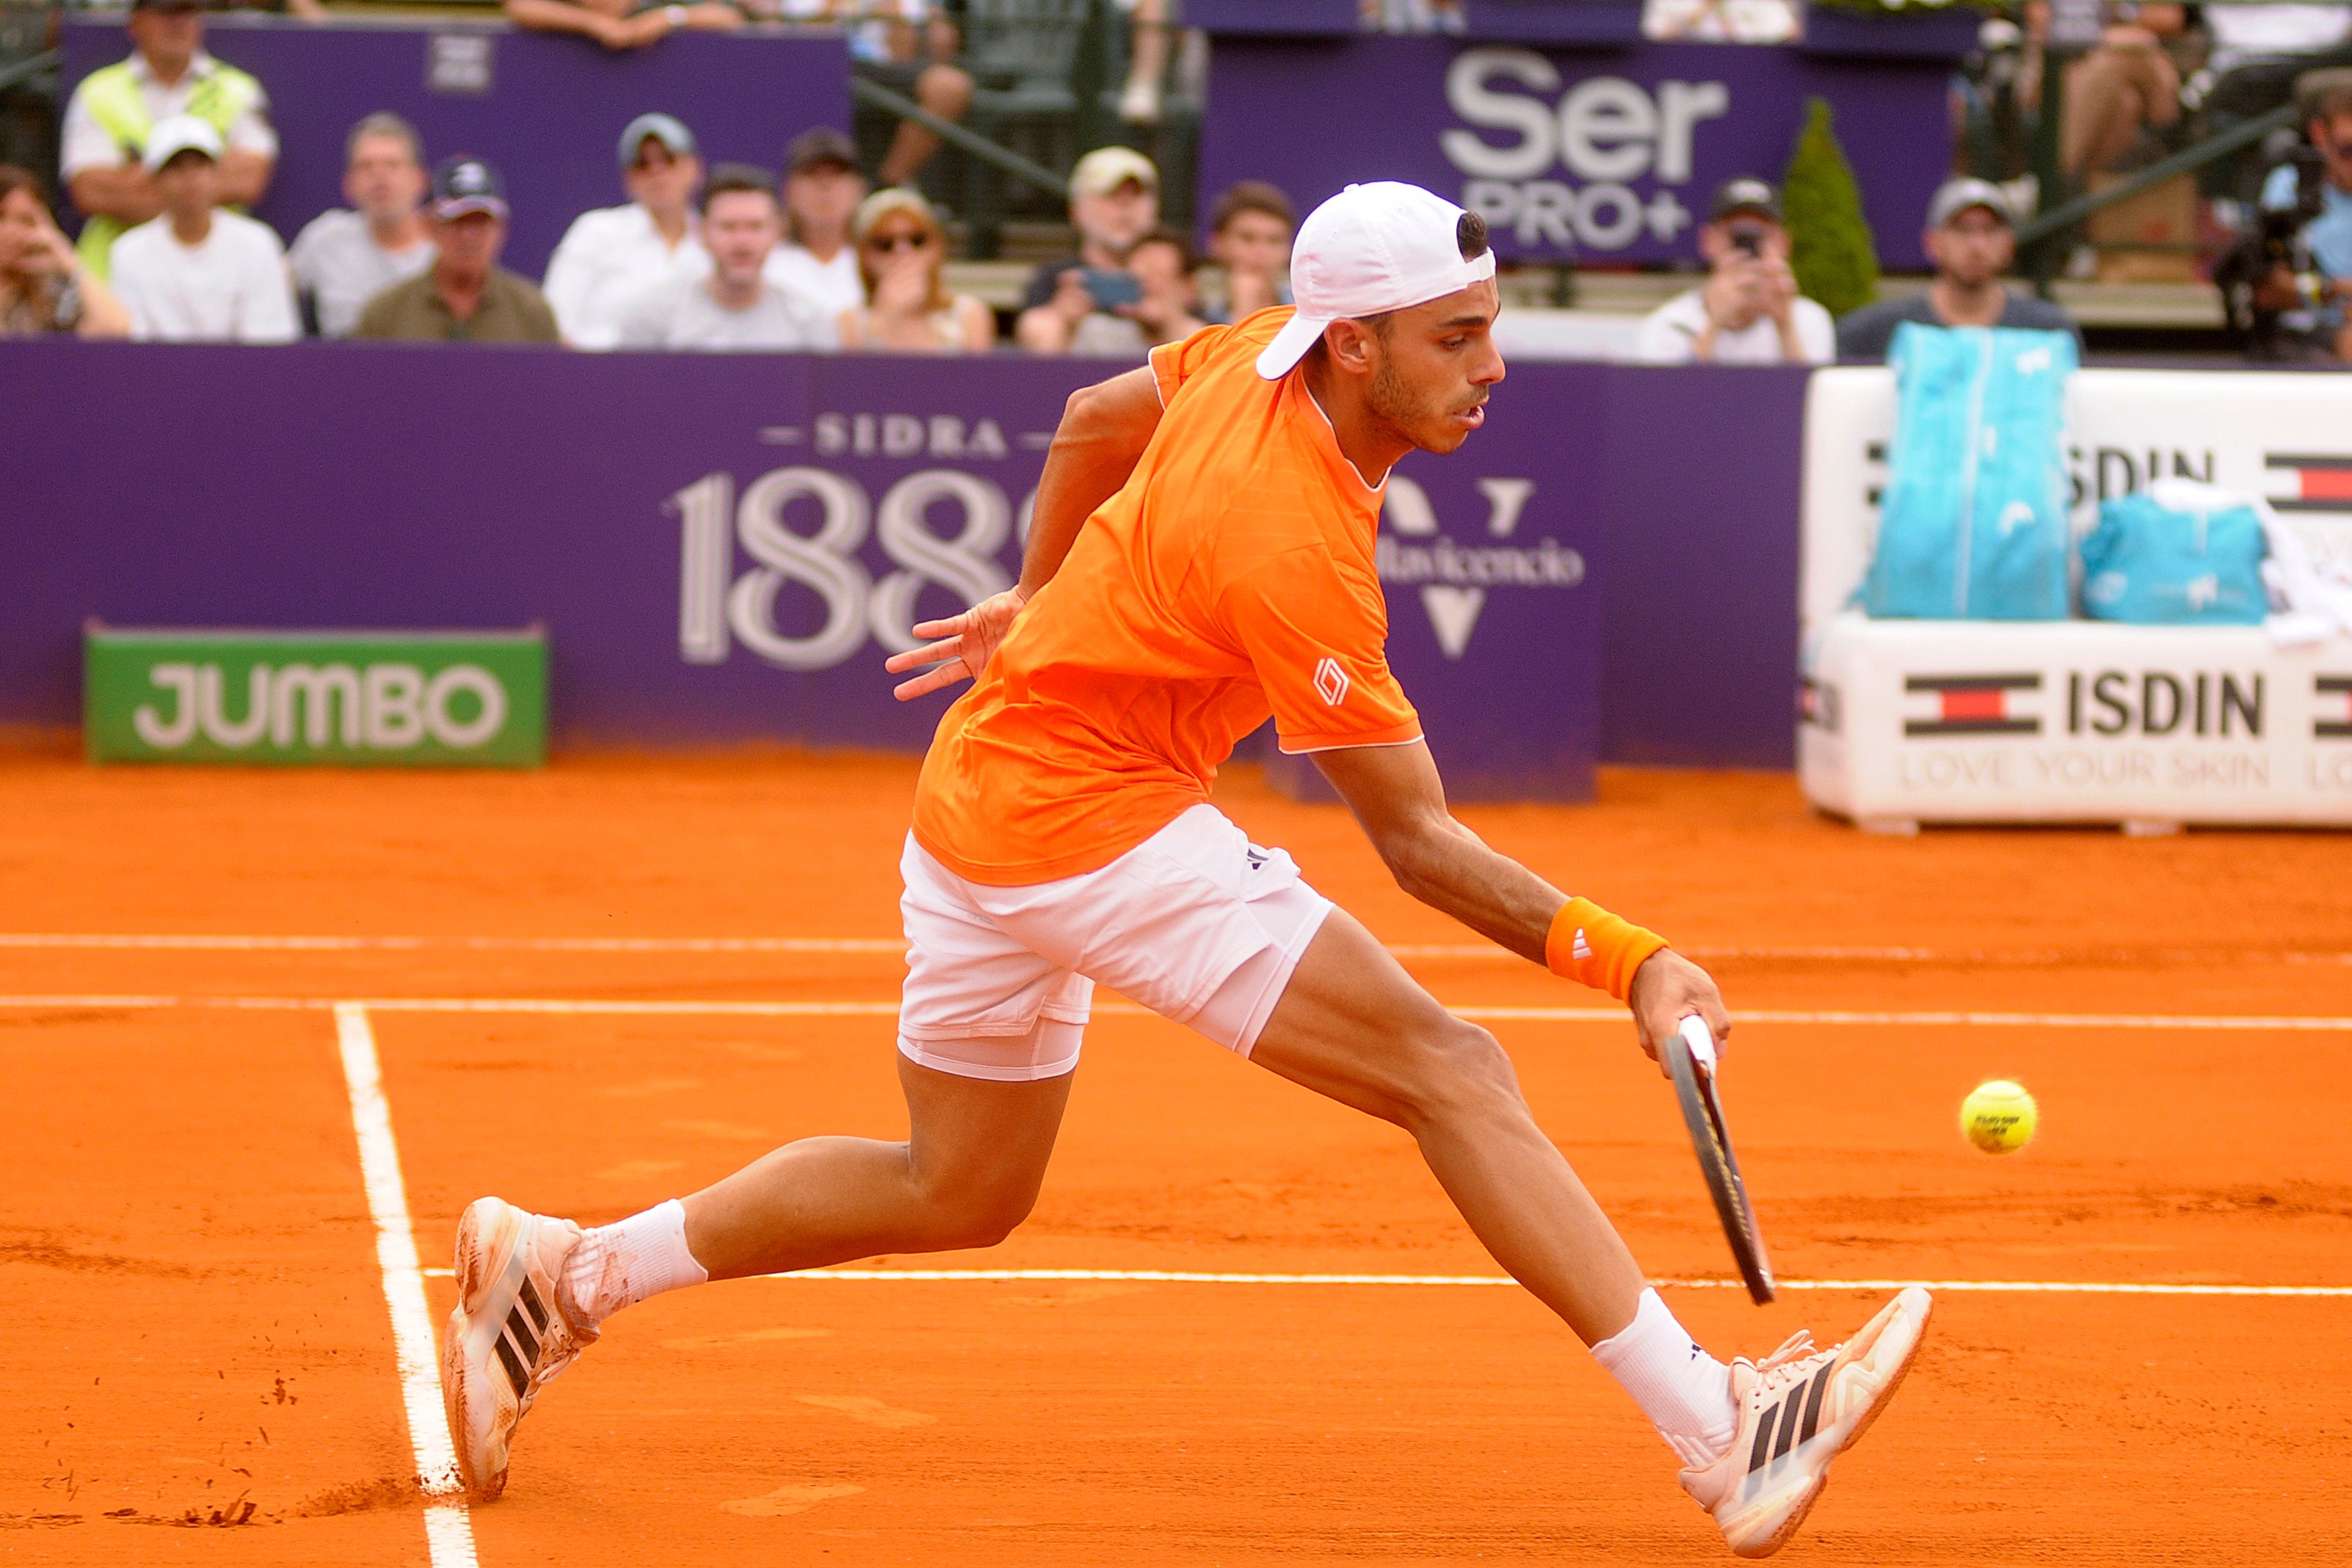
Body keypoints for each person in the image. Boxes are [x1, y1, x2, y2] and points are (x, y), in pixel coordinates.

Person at [439, 180, 1934, 1559]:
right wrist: (1628, 956)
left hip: (980, 799)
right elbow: (1416, 844)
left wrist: (1036, 597)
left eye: (1494, 330)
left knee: (954, 1184)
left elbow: (1094, 413)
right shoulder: (1291, 542)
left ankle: (564, 1276)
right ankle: (1722, 1433)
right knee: (1453, 1070)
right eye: (1458, 337)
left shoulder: (1256, 351)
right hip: (1092, 829)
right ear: (1354, 348)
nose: (1493, 367)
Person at [59, 0, 277, 280]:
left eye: (187, 11)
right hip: (114, 281)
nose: (177, 22)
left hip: (217, 277)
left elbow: (248, 181)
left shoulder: (238, 89)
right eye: (164, 12)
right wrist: (208, 180)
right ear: (135, 22)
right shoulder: (97, 92)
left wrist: (135, 177)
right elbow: (91, 192)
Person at [1834, 178, 2083, 362]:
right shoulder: (1873, 333)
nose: (1978, 246)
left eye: (1990, 231)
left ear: (2008, 246)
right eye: (1962, 230)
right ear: (1932, 244)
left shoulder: (2050, 331)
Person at [107, 116, 297, 344]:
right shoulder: (128, 253)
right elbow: (133, 348)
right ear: (155, 180)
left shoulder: (259, 244)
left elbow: (269, 344)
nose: (190, 177)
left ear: (217, 174)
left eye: (201, 165)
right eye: (176, 166)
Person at [614, 164, 836, 351]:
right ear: (702, 232)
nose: (742, 242)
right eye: (728, 227)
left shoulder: (810, 323)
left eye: (756, 226)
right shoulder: (652, 317)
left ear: (777, 232)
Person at [542, 114, 708, 350]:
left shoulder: (717, 241)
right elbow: (553, 325)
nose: (657, 171)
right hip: (600, 378)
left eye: (668, 159)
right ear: (628, 179)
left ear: (695, 168)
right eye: (642, 164)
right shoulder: (595, 232)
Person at [354, 156, 560, 344]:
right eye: (456, 222)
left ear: (500, 229)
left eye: (480, 222)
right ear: (430, 226)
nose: (468, 236)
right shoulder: (385, 314)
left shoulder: (532, 312)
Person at [1631, 178, 1834, 365]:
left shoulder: (1808, 319)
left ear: (1784, 243)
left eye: (1759, 236)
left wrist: (1785, 326)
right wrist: (1714, 323)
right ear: (1708, 241)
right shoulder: (1672, 322)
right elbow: (1664, 398)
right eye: (1737, 237)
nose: (1748, 251)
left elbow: (1816, 399)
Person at [777, 1, 974, 188]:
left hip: (884, 68)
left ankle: (887, 186)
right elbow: (804, 43)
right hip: (820, 64)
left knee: (949, 86)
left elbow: (901, 55)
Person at [287, 112, 435, 339]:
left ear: (420, 180)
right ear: (348, 185)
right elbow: (270, 291)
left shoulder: (446, 247)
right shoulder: (325, 238)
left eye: (392, 165)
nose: (379, 176)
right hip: (341, 370)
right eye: (366, 166)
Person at [2239, 74, 2352, 359]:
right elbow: (2269, 287)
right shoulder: (2289, 188)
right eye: (2349, 150)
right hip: (2313, 328)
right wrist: (2333, 292)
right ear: (2320, 135)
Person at [1015, 146, 1160, 353]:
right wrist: (1063, 319)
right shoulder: (1052, 281)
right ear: (1076, 211)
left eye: (1136, 195)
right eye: (1111, 195)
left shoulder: (1173, 283)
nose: (1125, 206)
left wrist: (1166, 322)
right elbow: (1037, 359)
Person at [837, 187, 993, 352]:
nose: (903, 252)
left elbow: (976, 377)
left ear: (935, 248)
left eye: (917, 240)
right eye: (885, 244)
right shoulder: (851, 321)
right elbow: (855, 376)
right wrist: (886, 318)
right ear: (866, 256)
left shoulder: (969, 314)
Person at [0, 167, 131, 338]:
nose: (11, 231)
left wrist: (66, 258)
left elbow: (115, 329)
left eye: (25, 220)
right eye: (1, 217)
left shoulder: (49, 294)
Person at [764, 126, 868, 320]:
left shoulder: (880, 260)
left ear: (859, 189)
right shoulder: (765, 265)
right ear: (788, 191)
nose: (825, 186)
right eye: (811, 174)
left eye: (837, 175)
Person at [1068, 223, 1205, 356]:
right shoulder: (1099, 336)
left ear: (1189, 288)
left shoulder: (1206, 345)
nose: (1148, 287)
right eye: (1140, 279)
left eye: (1159, 275)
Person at [1201, 180, 1295, 324]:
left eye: (1274, 241)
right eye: (1248, 239)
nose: (1261, 252)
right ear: (1217, 243)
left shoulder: (1306, 311)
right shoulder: (1192, 309)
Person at [504, 0, 745, 51]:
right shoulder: (569, 13)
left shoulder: (652, 11)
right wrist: (592, 24)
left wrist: (670, 18)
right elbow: (520, 7)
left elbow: (729, 17)